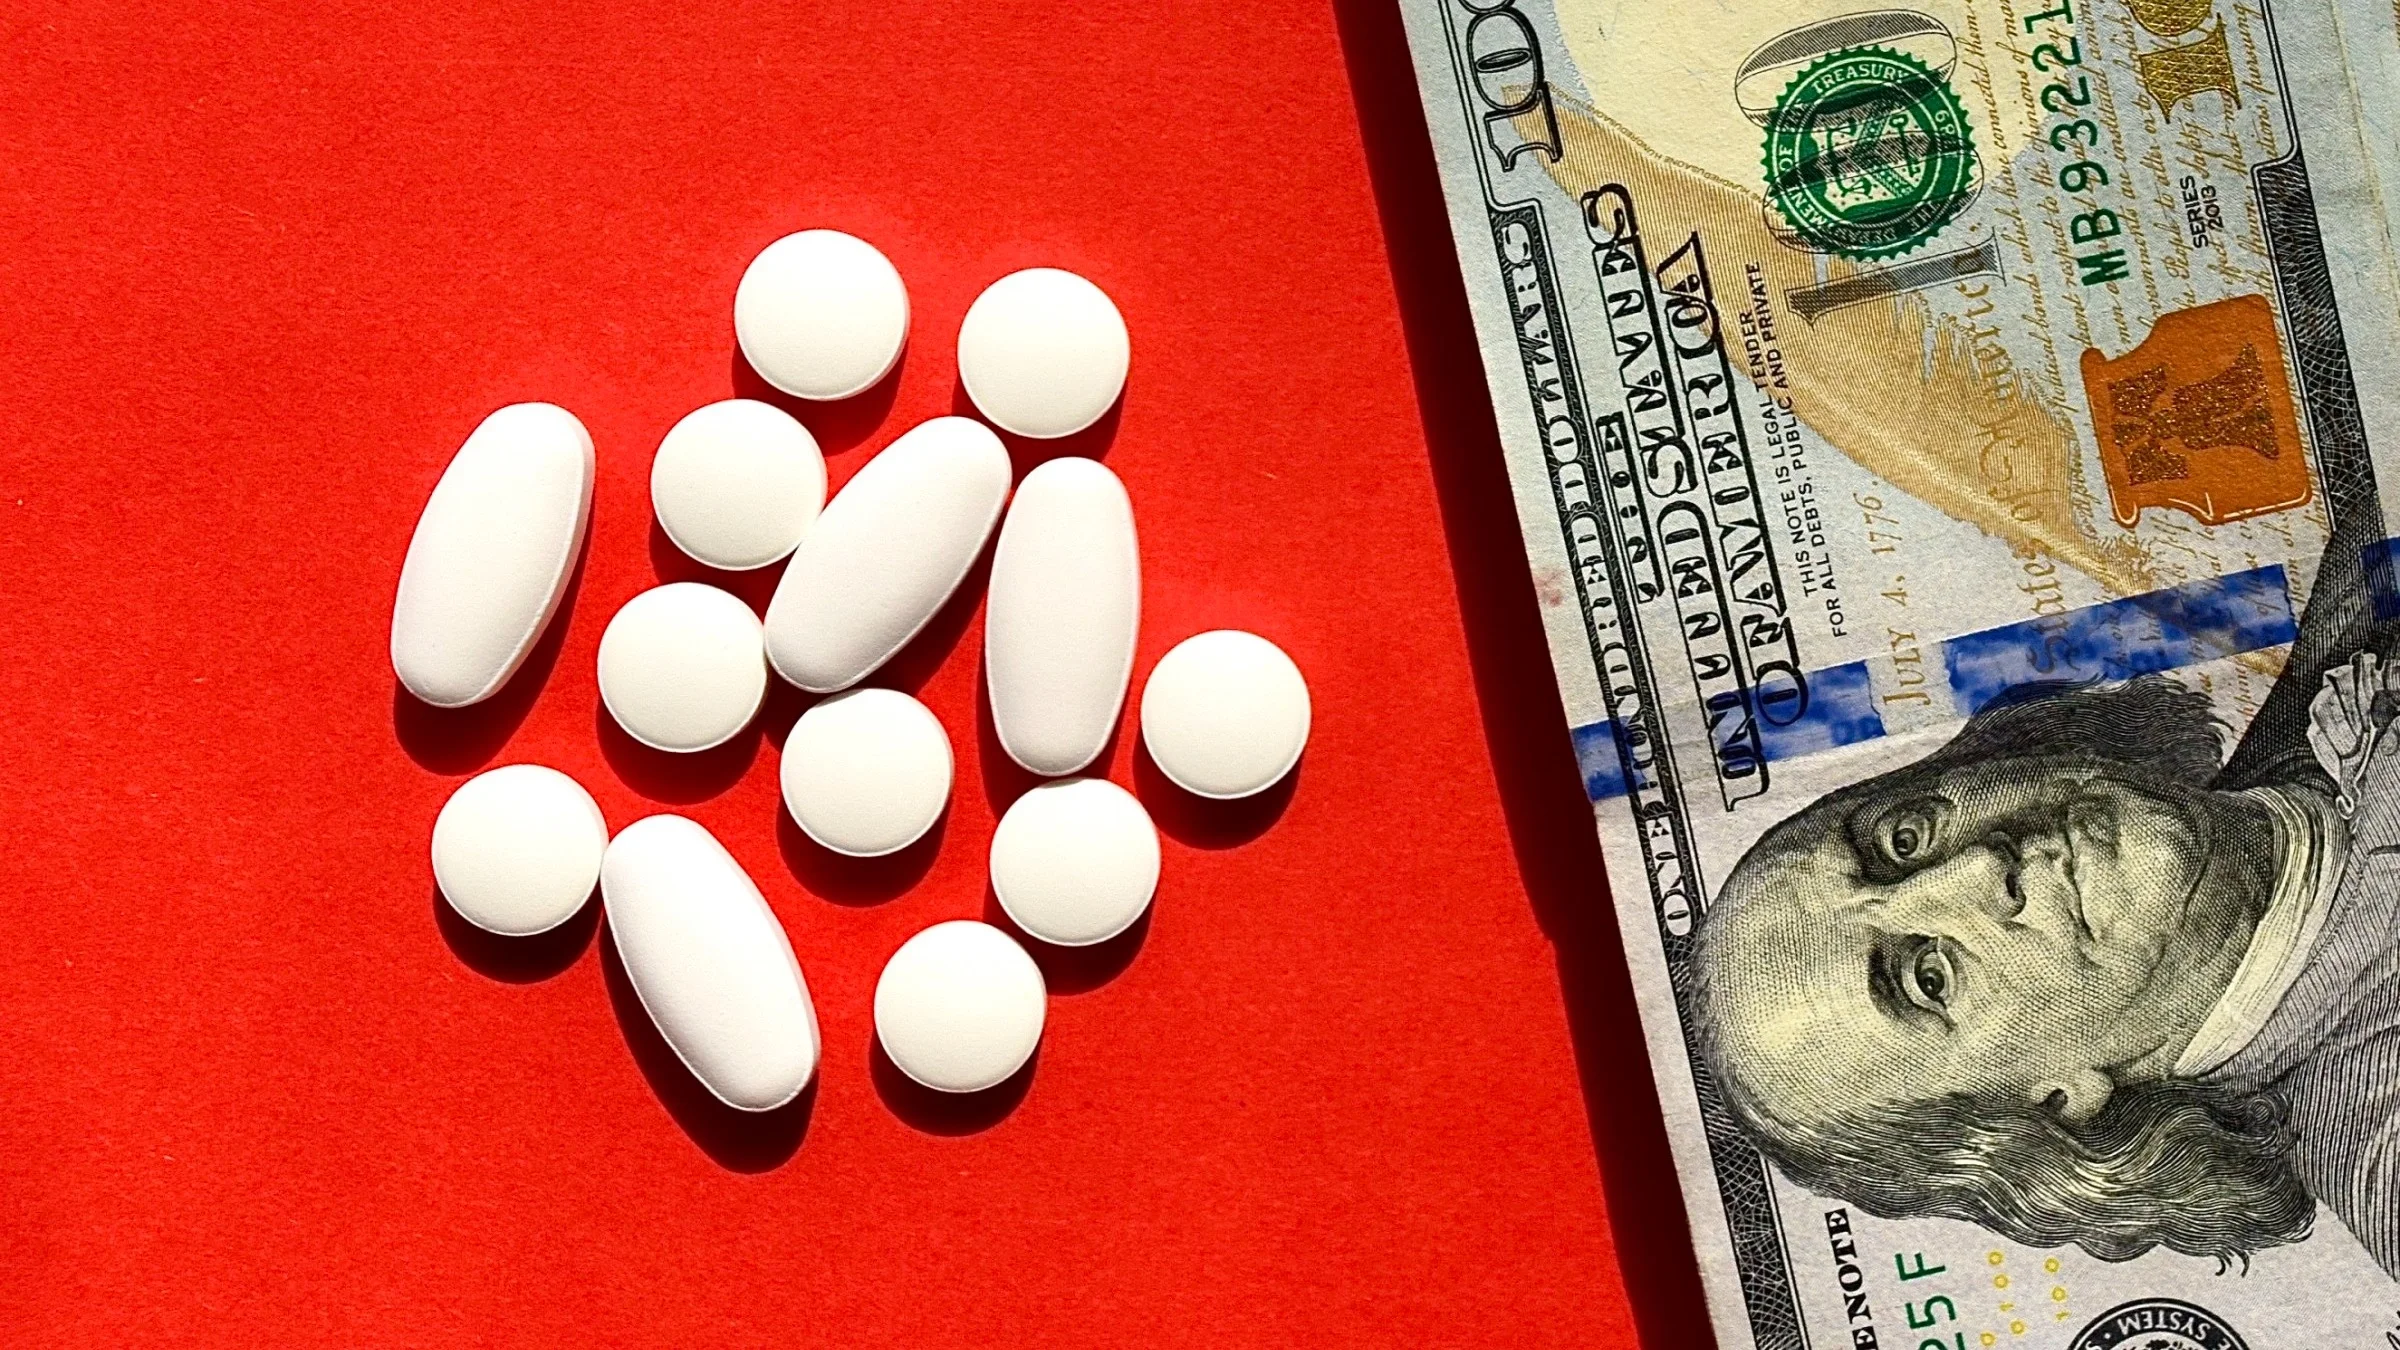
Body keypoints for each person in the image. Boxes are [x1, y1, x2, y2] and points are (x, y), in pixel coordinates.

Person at [1694, 514, 2400, 1275]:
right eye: (1929, 977)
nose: (1975, 868)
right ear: (2054, 1104)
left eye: (1899, 841)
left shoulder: (2353, 580)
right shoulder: (2381, 1146)